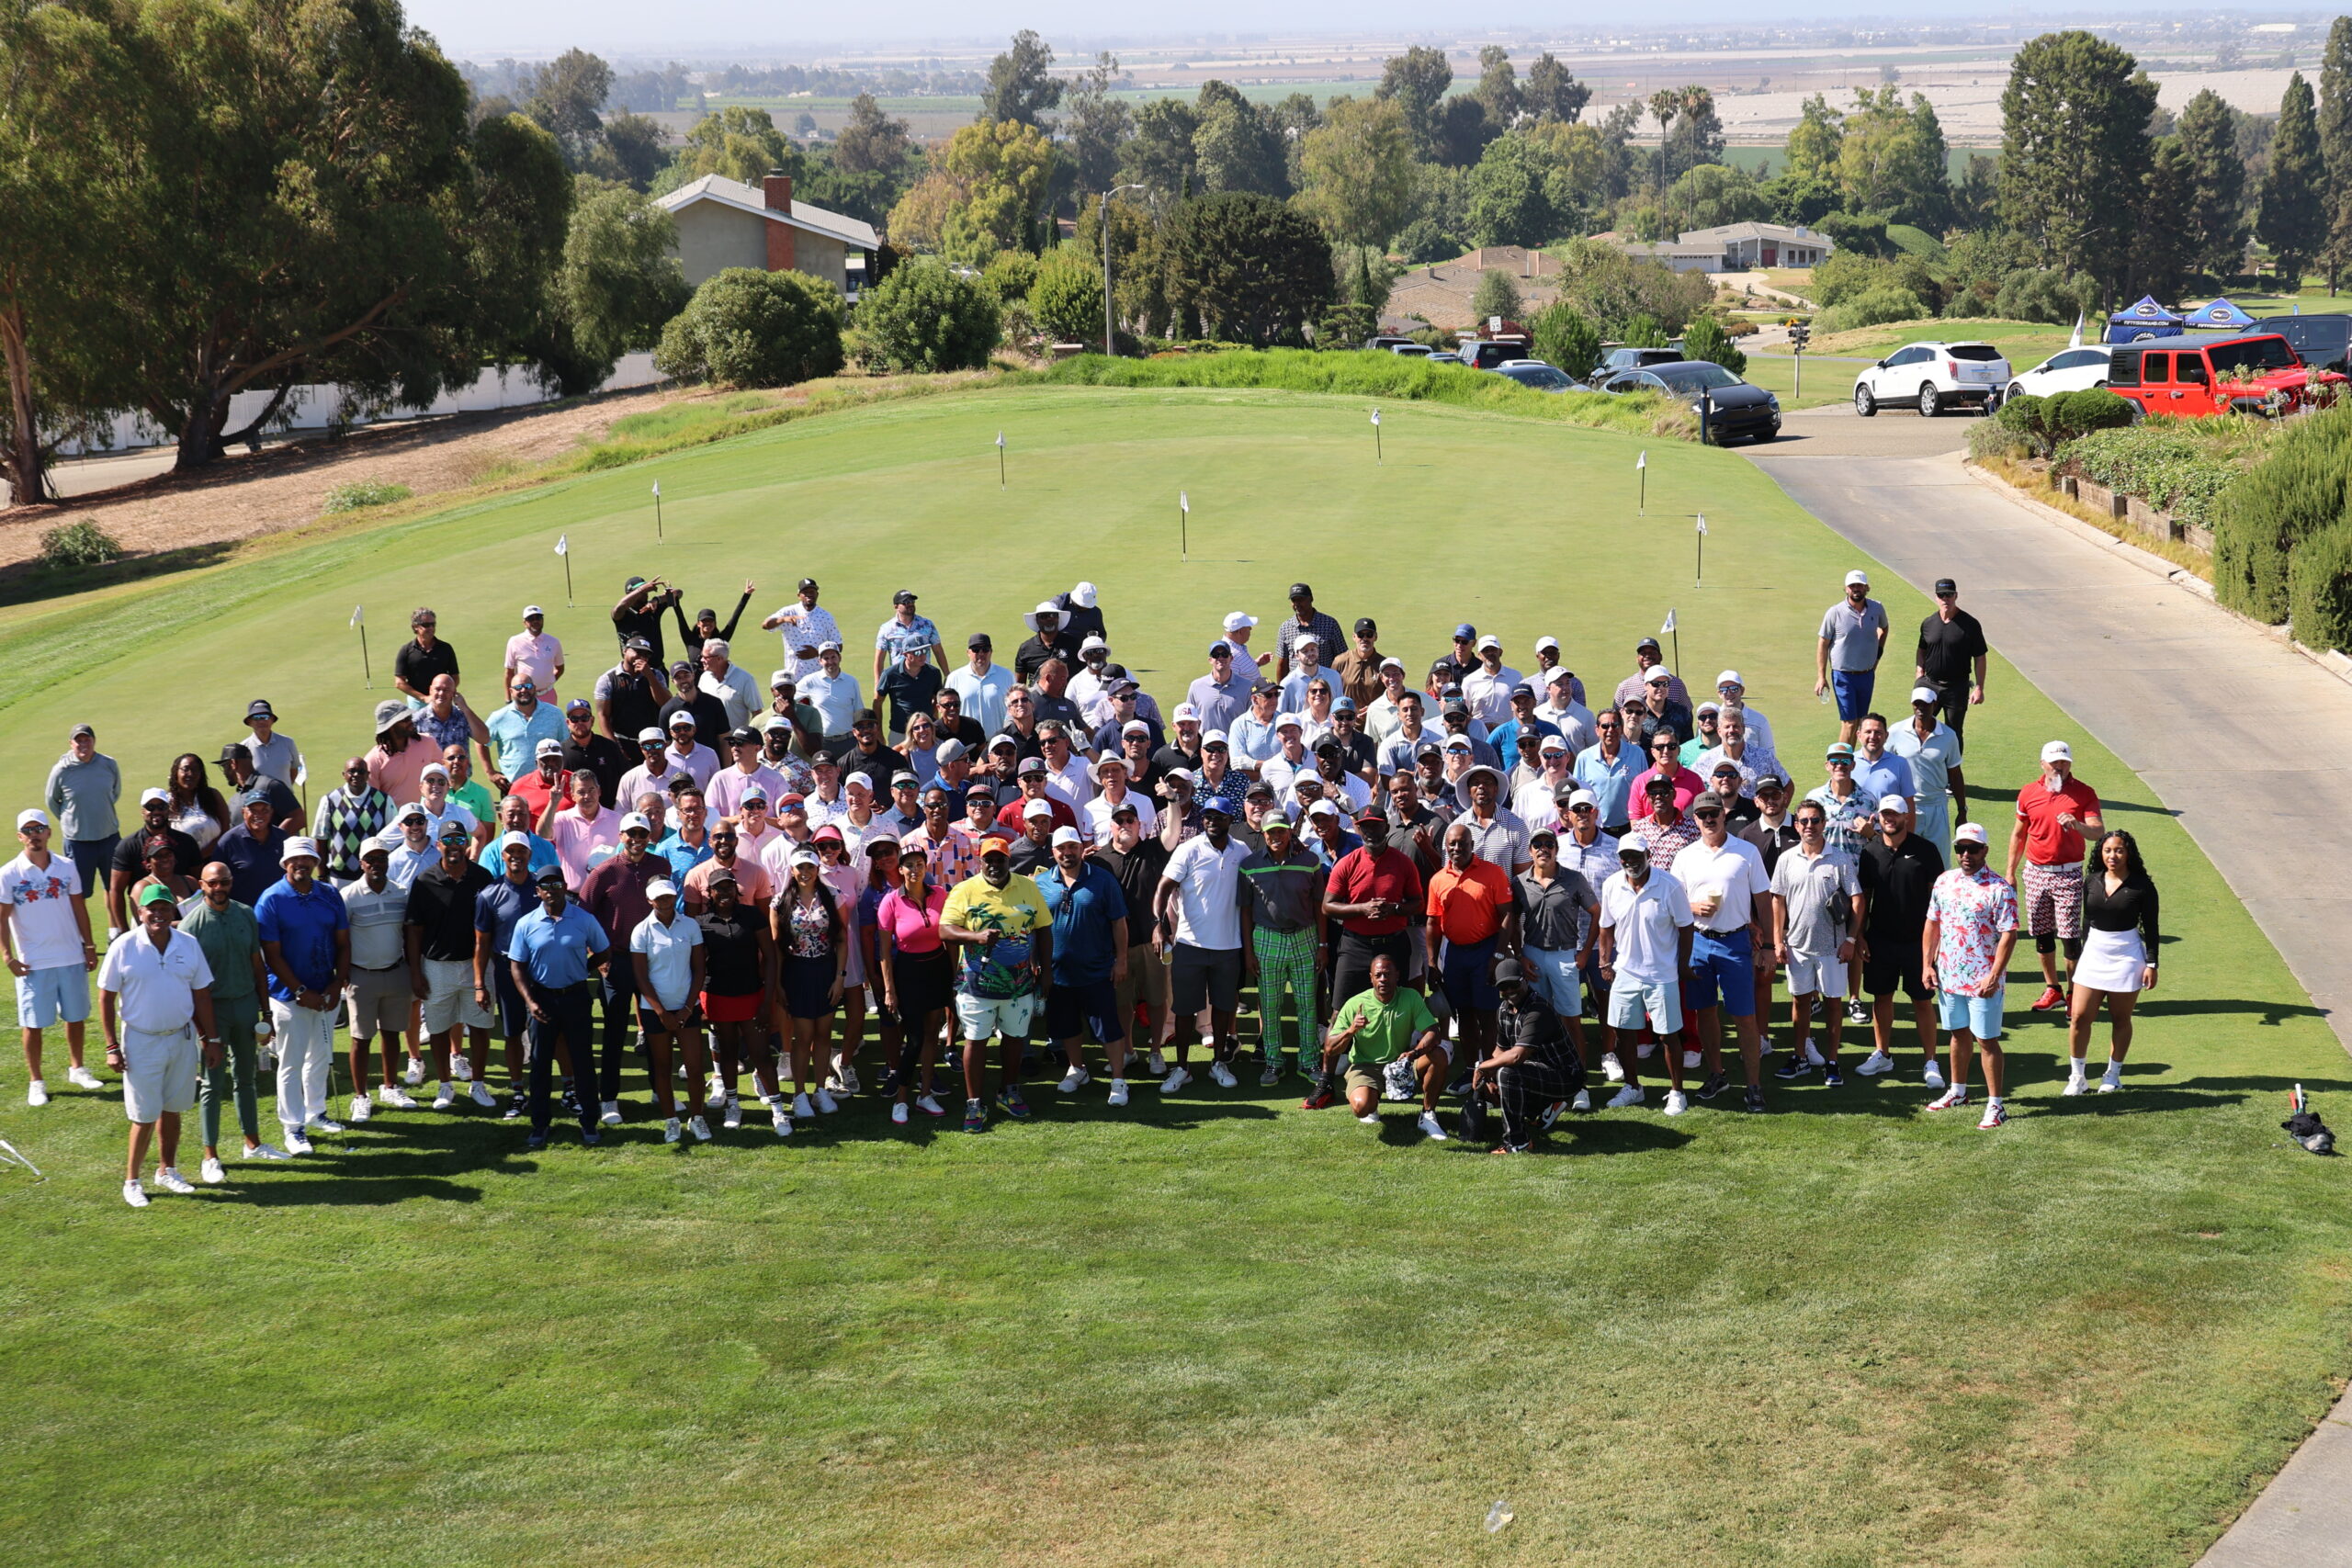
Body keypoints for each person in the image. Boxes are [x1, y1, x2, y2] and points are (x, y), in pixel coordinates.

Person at [98, 884, 220, 1207]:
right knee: (143, 1115)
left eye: (165, 909)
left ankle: (167, 1170)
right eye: (152, 909)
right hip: (141, 1041)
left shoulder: (188, 944)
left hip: (181, 1038)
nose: (158, 914)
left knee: (173, 1108)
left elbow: (201, 995)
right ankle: (132, 1180)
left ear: (172, 912)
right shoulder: (124, 946)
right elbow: (106, 997)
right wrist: (112, 1046)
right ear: (140, 913)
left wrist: (211, 1039)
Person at [1665, 794, 1772, 1111]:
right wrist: (1692, 906)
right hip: (1698, 941)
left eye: (1714, 814)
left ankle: (1754, 1084)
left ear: (1723, 815)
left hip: (1736, 942)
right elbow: (1673, 904)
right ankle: (1717, 1073)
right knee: (1705, 1013)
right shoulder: (1685, 857)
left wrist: (1767, 945)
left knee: (1744, 1016)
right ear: (1695, 820)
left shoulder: (1746, 851)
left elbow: (1764, 901)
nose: (1709, 820)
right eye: (1702, 815)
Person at [940, 836, 1052, 1132]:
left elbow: (1043, 929)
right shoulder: (965, 890)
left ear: (1008, 861)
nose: (994, 865)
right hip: (976, 984)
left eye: (1000, 859)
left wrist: (1047, 971)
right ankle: (974, 1103)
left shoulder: (1028, 887)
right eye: (989, 859)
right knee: (976, 1041)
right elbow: (945, 929)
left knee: (1015, 1038)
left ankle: (1008, 1091)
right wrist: (974, 937)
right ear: (980, 860)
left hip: (1020, 984)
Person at [182, 860, 284, 1176]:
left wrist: (265, 1012)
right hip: (212, 1010)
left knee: (247, 1078)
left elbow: (257, 965)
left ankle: (252, 1143)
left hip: (245, 1006)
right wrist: (202, 1029)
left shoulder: (246, 914)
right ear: (202, 885)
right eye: (212, 883)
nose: (219, 888)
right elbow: (188, 984)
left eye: (224, 882)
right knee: (213, 1084)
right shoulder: (191, 926)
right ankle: (210, 1155)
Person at [254, 838, 350, 1155]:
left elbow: (343, 943)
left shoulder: (329, 895)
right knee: (291, 1063)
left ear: (315, 864)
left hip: (324, 992)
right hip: (287, 996)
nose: (302, 865)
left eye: (307, 860)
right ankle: (293, 1128)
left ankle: (315, 1112)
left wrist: (337, 984)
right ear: (285, 864)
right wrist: (299, 990)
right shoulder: (271, 899)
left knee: (321, 1056)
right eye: (295, 860)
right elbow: (271, 953)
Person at [507, 868, 611, 1150]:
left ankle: (589, 1122)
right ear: (537, 891)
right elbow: (516, 965)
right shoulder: (526, 923)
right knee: (540, 1065)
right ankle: (540, 1125)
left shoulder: (584, 919)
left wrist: (582, 969)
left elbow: (604, 950)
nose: (551, 889)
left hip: (576, 997)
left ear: (565, 887)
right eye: (545, 886)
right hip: (541, 1000)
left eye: (556, 884)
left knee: (583, 1062)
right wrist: (530, 1001)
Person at [1924, 822, 2019, 1127]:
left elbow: (2009, 935)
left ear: (1985, 850)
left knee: (1987, 1040)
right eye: (1961, 848)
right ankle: (1958, 1091)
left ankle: (1996, 1105)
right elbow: (1932, 924)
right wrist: (1927, 964)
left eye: (1973, 849)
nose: (1966, 854)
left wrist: (1994, 975)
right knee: (1957, 1034)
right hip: (1949, 977)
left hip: (1984, 981)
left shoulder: (1999, 888)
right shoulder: (1944, 881)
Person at [3, 808, 100, 1107]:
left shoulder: (67, 867)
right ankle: (36, 1081)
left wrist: (89, 946)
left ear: (48, 833)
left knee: (76, 1016)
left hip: (70, 955)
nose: (34, 835)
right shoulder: (8, 874)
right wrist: (7, 956)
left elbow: (79, 909)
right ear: (20, 837)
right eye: (28, 830)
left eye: (39, 829)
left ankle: (78, 1068)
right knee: (33, 1024)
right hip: (33, 962)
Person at [1154, 799, 1251, 1094]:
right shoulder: (1188, 848)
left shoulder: (1242, 852)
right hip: (1189, 945)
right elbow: (1163, 888)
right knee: (1184, 1009)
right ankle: (1182, 1067)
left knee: (1223, 1008)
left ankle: (1218, 1063)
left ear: (1229, 819)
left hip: (1229, 946)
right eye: (1207, 816)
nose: (1211, 821)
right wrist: (1160, 924)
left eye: (1218, 817)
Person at [576, 812, 665, 1123]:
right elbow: (582, 917)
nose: (637, 839)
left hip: (652, 960)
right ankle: (610, 1099)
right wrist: (597, 956)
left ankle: (660, 1090)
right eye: (631, 834)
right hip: (616, 962)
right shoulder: (604, 872)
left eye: (642, 833)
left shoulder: (660, 866)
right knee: (615, 1033)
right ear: (621, 835)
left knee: (656, 1028)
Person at [1598, 840, 1694, 1114]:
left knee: (1668, 1035)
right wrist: (1605, 962)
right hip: (1625, 971)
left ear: (1648, 855)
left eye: (1636, 855)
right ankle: (1633, 1087)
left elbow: (1686, 928)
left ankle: (1678, 1092)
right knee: (1625, 1033)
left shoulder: (1670, 885)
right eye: (1625, 856)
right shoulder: (1612, 885)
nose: (1630, 861)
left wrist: (1682, 965)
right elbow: (1606, 928)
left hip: (1662, 974)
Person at [408, 820, 499, 1111]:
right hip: (437, 966)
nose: (454, 845)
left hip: (478, 967)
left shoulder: (483, 878)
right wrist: (415, 972)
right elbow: (413, 930)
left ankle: (479, 1085)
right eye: (448, 840)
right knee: (438, 1029)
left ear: (466, 843)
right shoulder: (425, 881)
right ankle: (445, 1086)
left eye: (460, 838)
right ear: (439, 845)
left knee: (481, 1026)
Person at [1770, 799, 1862, 1085]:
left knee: (1833, 1004)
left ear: (1823, 824)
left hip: (1833, 949)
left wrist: (1850, 939)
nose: (1810, 826)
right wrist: (1778, 940)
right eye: (1804, 821)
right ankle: (1800, 1057)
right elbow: (1778, 900)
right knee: (1800, 1002)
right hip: (1797, 946)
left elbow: (1858, 899)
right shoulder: (1786, 859)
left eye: (1815, 820)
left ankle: (1833, 1061)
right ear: (1796, 825)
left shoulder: (1839, 859)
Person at [1857, 795, 1946, 1087]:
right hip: (1880, 939)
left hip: (1918, 942)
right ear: (1878, 818)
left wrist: (1936, 944)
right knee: (1881, 997)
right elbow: (1864, 898)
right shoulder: (1870, 852)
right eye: (1885, 814)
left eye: (1894, 814)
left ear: (1906, 817)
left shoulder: (1926, 851)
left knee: (1922, 1000)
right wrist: (1859, 935)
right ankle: (1882, 1054)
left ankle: (1930, 1061)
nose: (1889, 819)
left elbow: (1939, 899)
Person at [2007, 739, 2103, 1013]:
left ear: (2070, 764)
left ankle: (2074, 993)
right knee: (2042, 934)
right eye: (2054, 762)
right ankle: (2053, 989)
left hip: (2068, 874)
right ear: (2043, 764)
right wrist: (2010, 872)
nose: (2058, 767)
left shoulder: (2084, 794)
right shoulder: (2028, 793)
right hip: (2035, 872)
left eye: (2064, 762)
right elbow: (2018, 834)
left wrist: (2077, 825)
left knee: (2070, 937)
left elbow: (2097, 831)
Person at [1309, 953, 1446, 1140]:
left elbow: (1433, 1033)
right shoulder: (1355, 1004)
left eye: (1388, 974)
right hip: (1366, 1068)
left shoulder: (1411, 997)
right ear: (1371, 978)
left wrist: (1414, 1053)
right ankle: (1371, 1103)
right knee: (1361, 1108)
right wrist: (1351, 1030)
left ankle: (1428, 1115)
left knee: (1438, 1055)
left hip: (1402, 1064)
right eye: (1378, 975)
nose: (1383, 979)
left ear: (1397, 975)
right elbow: (1331, 1048)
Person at [1036, 826, 1130, 1098]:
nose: (1067, 853)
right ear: (1053, 852)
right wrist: (1035, 961)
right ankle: (1077, 1069)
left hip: (1097, 969)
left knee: (1108, 1028)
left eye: (1072, 847)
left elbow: (1119, 922)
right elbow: (1035, 928)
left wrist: (1121, 959)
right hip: (1057, 972)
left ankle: (1118, 1080)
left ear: (1081, 849)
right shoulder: (1041, 883)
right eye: (1062, 848)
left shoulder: (1102, 879)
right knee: (1067, 1026)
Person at [2065, 829, 2160, 1096]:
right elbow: (2086, 920)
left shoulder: (2143, 886)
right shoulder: (2091, 881)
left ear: (2128, 853)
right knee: (2079, 1017)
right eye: (2108, 850)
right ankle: (2077, 1077)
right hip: (2094, 953)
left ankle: (2113, 1075)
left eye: (2119, 850)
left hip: (2128, 956)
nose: (2113, 856)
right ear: (2100, 853)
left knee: (2120, 1019)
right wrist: (2082, 952)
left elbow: (2151, 927)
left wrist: (2152, 963)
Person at [694, 869, 785, 1134]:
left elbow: (769, 957)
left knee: (761, 1054)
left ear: (736, 890)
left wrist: (767, 1000)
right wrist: (701, 1002)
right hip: (717, 997)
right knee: (729, 1054)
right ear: (709, 893)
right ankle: (733, 1105)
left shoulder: (753, 916)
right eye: (718, 889)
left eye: (729, 887)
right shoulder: (701, 922)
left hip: (752, 995)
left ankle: (778, 1111)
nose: (724, 893)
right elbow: (698, 966)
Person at [1237, 808, 1323, 1087]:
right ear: (1263, 834)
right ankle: (1274, 1063)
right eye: (1271, 831)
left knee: (1307, 1003)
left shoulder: (1310, 861)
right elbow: (1246, 910)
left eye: (1281, 831)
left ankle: (1309, 1062)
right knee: (1270, 1004)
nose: (1276, 836)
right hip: (1266, 938)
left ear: (1290, 832)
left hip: (1305, 936)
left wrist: (1322, 944)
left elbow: (1319, 906)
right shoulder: (1249, 864)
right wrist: (1249, 951)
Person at [1426, 820, 1515, 1081]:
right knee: (1463, 1014)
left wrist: (1498, 955)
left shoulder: (1493, 872)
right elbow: (1432, 922)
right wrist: (1432, 962)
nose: (1457, 848)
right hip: (1455, 954)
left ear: (1472, 845)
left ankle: (1488, 1070)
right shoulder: (1438, 880)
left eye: (1462, 843)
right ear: (1446, 847)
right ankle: (1470, 1069)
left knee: (1487, 1014)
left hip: (1486, 950)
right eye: (1452, 844)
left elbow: (1507, 915)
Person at [1474, 956, 1588, 1153]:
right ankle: (1544, 1108)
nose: (1509, 991)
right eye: (1503, 986)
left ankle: (1518, 1142)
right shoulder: (1503, 1008)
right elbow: (1500, 1049)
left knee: (1507, 1074)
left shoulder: (1538, 1010)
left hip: (1566, 1076)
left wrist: (1483, 1067)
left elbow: (1517, 1056)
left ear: (1525, 980)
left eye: (1513, 984)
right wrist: (1488, 1076)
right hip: (1538, 1071)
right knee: (1499, 1074)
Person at [339, 841, 415, 1122]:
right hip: (362, 976)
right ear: (361, 863)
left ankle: (390, 1086)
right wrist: (343, 974)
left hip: (396, 971)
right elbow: (341, 939)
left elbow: (409, 936)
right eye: (370, 859)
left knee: (393, 1033)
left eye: (381, 858)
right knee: (361, 1039)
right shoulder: (349, 895)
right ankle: (360, 1096)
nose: (376, 864)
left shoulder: (402, 893)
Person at [629, 878, 709, 1142]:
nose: (664, 902)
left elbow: (699, 968)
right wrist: (661, 1012)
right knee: (663, 1068)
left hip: (687, 1007)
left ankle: (697, 1118)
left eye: (668, 897)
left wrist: (687, 1008)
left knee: (695, 1068)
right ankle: (671, 1120)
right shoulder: (641, 931)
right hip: (655, 1011)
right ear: (650, 901)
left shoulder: (689, 925)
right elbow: (641, 977)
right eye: (659, 898)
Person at [771, 848, 845, 1119]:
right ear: (792, 870)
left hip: (825, 970)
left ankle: (820, 1090)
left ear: (817, 870)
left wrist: (840, 978)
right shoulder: (780, 901)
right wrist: (778, 982)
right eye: (800, 868)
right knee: (803, 1035)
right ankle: (799, 1095)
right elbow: (777, 946)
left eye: (810, 868)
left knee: (824, 1033)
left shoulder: (832, 896)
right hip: (797, 972)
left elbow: (841, 940)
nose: (805, 873)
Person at [45, 724, 120, 934]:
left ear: (94, 741)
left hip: (109, 837)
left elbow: (114, 792)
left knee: (113, 888)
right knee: (78, 892)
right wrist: (72, 820)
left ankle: (115, 931)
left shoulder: (108, 764)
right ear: (71, 744)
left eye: (87, 739)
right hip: (78, 842)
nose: (83, 744)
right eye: (78, 740)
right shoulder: (61, 770)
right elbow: (52, 801)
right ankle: (81, 937)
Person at [1815, 569, 1889, 746]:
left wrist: (1877, 657)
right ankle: (1840, 763)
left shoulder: (1876, 608)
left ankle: (1852, 764)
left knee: (1859, 724)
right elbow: (1823, 643)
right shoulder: (1835, 612)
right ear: (1846, 589)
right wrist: (1821, 677)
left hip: (1866, 674)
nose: (1856, 589)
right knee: (1849, 723)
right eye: (1852, 586)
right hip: (1843, 675)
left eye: (1860, 585)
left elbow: (1884, 628)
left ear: (1866, 588)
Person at [1889, 686, 1965, 855]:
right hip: (1906, 806)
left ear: (1935, 704)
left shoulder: (1948, 735)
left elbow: (1955, 774)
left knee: (1939, 858)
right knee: (1905, 857)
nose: (1920, 708)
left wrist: (1962, 811)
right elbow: (1884, 764)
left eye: (1925, 704)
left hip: (1937, 806)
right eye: (1916, 704)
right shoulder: (1896, 731)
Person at [1914, 577, 1988, 744]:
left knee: (1954, 733)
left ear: (1956, 595)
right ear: (1936, 597)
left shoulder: (1970, 625)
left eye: (1948, 595)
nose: (1945, 599)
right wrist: (1920, 672)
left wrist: (1979, 688)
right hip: (1929, 684)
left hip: (1956, 688)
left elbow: (1980, 657)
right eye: (1941, 595)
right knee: (1920, 727)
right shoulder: (1928, 623)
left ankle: (1952, 769)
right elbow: (1921, 649)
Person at [593, 637, 671, 761]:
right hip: (623, 742)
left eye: (646, 655)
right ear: (625, 651)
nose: (642, 657)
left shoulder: (656, 675)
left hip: (653, 743)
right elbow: (603, 716)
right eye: (638, 652)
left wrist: (649, 676)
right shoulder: (608, 679)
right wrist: (614, 747)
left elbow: (666, 704)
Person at [1573, 709, 1640, 836]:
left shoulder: (1637, 753)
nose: (1610, 730)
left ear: (1621, 729)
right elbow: (1578, 796)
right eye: (1605, 726)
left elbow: (1643, 791)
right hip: (1596, 828)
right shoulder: (1584, 758)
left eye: (1615, 725)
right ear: (1597, 730)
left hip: (1629, 827)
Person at [214, 795, 289, 908]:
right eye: (253, 810)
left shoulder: (283, 838)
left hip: (279, 909)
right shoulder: (229, 841)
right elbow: (217, 880)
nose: (259, 815)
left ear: (271, 812)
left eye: (265, 810)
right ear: (243, 812)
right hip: (244, 913)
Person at [762, 578, 840, 681]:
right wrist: (783, 620)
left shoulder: (826, 617)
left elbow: (838, 645)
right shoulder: (788, 612)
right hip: (794, 677)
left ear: (817, 594)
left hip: (820, 677)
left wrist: (817, 653)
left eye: (812, 591)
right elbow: (766, 625)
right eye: (805, 592)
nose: (809, 594)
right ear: (799, 596)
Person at [365, 701, 435, 806]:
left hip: (427, 818)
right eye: (405, 720)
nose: (411, 721)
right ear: (391, 727)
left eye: (410, 717)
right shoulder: (373, 760)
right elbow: (372, 801)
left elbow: (444, 773)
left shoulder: (428, 742)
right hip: (393, 820)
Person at [873, 588, 944, 682]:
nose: (910, 604)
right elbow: (879, 659)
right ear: (896, 606)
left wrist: (947, 674)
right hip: (899, 678)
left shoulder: (927, 624)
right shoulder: (887, 629)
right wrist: (878, 685)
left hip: (924, 676)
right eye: (905, 602)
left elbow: (938, 651)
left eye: (912, 601)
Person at [164, 751, 232, 850]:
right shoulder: (167, 803)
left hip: (217, 858)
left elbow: (226, 830)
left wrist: (204, 854)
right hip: (186, 863)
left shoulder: (212, 795)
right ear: (176, 772)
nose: (190, 774)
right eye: (185, 769)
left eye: (195, 770)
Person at [1275, 583, 1345, 678]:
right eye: (1294, 600)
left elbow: (1343, 658)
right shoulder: (1285, 628)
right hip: (1297, 685)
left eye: (1301, 600)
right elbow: (1282, 663)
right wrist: (1281, 691)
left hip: (1325, 686)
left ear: (1311, 599)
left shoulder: (1330, 624)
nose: (1297, 604)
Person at [612, 574, 684, 664]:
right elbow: (618, 608)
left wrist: (657, 599)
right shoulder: (622, 614)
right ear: (630, 593)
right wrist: (641, 590)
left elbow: (678, 593)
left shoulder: (653, 607)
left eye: (646, 590)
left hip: (657, 670)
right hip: (632, 672)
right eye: (642, 591)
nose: (645, 594)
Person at [675, 585, 754, 668]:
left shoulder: (720, 640)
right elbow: (680, 617)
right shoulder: (690, 639)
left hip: (716, 680)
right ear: (698, 624)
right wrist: (674, 599)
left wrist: (746, 595)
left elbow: (735, 617)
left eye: (710, 621)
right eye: (704, 621)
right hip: (696, 680)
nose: (707, 623)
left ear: (715, 623)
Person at [393, 605, 459, 704]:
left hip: (441, 700)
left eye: (433, 624)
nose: (431, 628)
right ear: (415, 627)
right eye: (426, 625)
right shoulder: (406, 650)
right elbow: (399, 682)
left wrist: (445, 693)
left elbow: (455, 677)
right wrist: (423, 698)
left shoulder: (446, 648)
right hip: (417, 702)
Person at [503, 604, 566, 704]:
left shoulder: (554, 642)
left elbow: (560, 668)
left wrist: (548, 681)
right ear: (525, 623)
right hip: (524, 696)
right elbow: (509, 673)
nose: (535, 621)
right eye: (531, 619)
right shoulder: (514, 641)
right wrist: (508, 699)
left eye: (538, 618)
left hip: (548, 695)